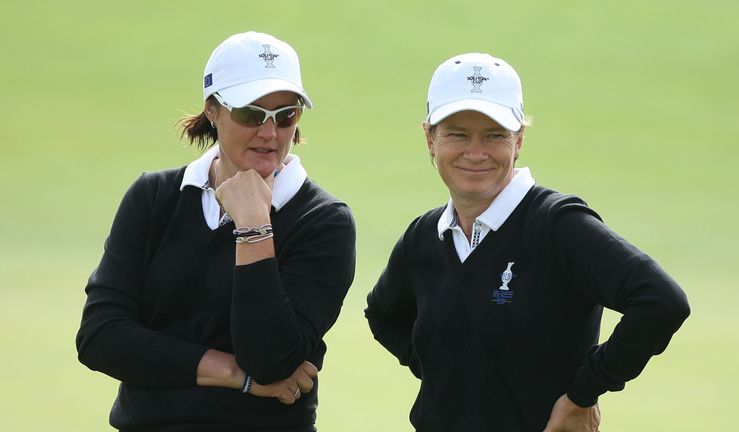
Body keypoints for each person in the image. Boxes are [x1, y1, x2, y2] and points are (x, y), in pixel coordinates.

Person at [365, 53, 690, 432]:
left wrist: (583, 394)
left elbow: (661, 302)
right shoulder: (424, 236)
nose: (475, 152)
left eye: (494, 135)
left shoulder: (557, 225)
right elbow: (383, 315)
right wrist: (443, 375)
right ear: (429, 139)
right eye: (457, 133)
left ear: (518, 140)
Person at [76, 31, 356, 431]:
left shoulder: (322, 221)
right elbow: (100, 338)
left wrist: (254, 226)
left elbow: (271, 360)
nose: (270, 132)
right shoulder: (154, 197)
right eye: (251, 114)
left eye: (286, 115)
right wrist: (234, 375)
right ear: (213, 110)